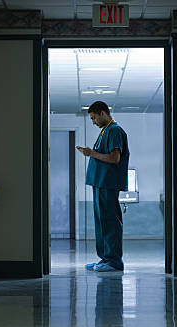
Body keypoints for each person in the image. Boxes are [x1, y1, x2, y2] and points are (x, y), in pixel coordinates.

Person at [76, 101, 130, 272]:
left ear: (103, 113)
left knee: (110, 222)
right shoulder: (104, 131)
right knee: (101, 223)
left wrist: (91, 153)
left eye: (94, 118)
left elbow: (115, 158)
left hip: (108, 183)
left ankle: (114, 261)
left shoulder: (114, 130)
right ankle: (105, 259)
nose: (93, 122)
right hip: (100, 183)